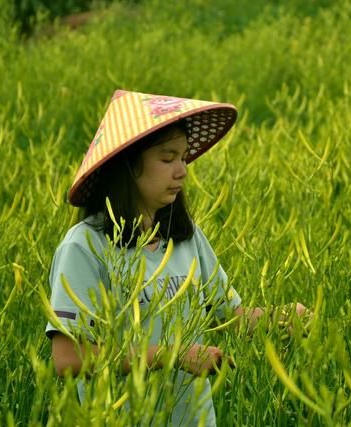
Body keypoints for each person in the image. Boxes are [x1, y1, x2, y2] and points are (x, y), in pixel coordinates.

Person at [45, 90, 309, 426]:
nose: (182, 171)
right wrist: (172, 357)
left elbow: (229, 315)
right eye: (168, 158)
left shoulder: (185, 237)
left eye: (183, 158)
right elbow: (68, 359)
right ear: (128, 165)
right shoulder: (84, 247)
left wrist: (282, 317)